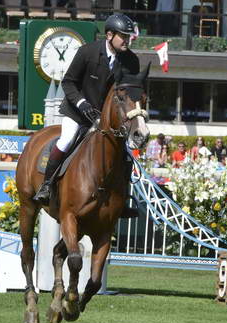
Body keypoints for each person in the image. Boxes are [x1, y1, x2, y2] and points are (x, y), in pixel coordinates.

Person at [34, 13, 140, 218]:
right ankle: (47, 185)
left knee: (125, 155)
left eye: (129, 36)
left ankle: (123, 199)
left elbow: (130, 92)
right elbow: (68, 82)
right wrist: (82, 104)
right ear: (109, 35)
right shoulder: (87, 52)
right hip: (78, 112)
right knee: (66, 141)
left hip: (108, 119)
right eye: (123, 36)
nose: (127, 40)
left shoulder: (131, 61)